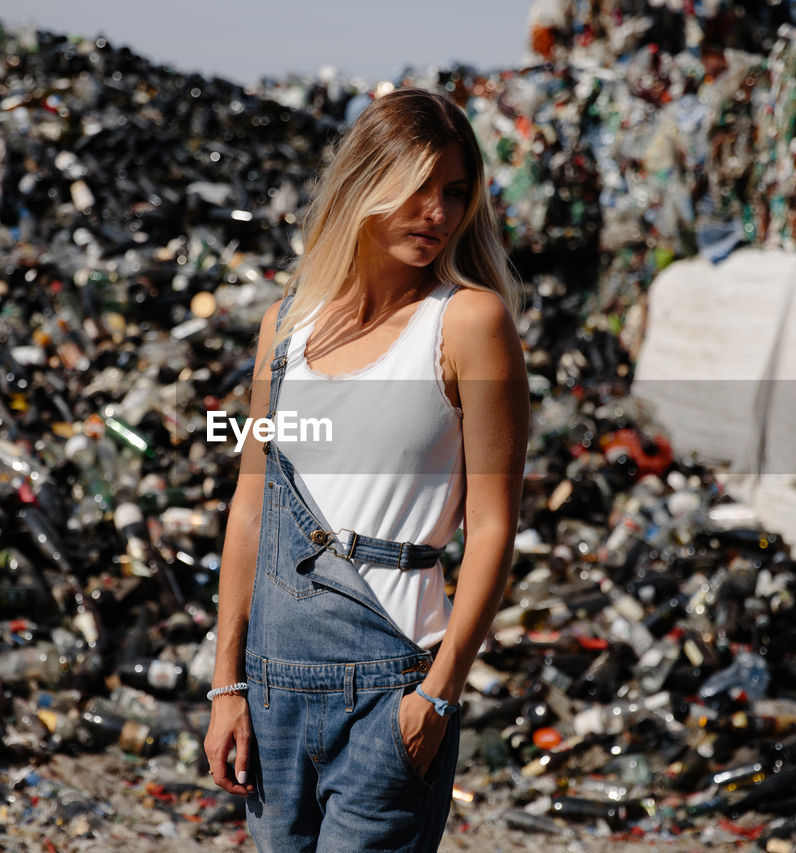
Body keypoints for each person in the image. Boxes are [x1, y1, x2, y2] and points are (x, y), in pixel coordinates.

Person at [204, 87, 529, 852]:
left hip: (392, 688)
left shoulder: (468, 323)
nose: (438, 213)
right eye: (417, 188)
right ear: (363, 185)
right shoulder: (284, 324)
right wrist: (227, 686)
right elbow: (252, 509)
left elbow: (492, 529)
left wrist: (437, 699)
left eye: (454, 192)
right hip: (272, 687)